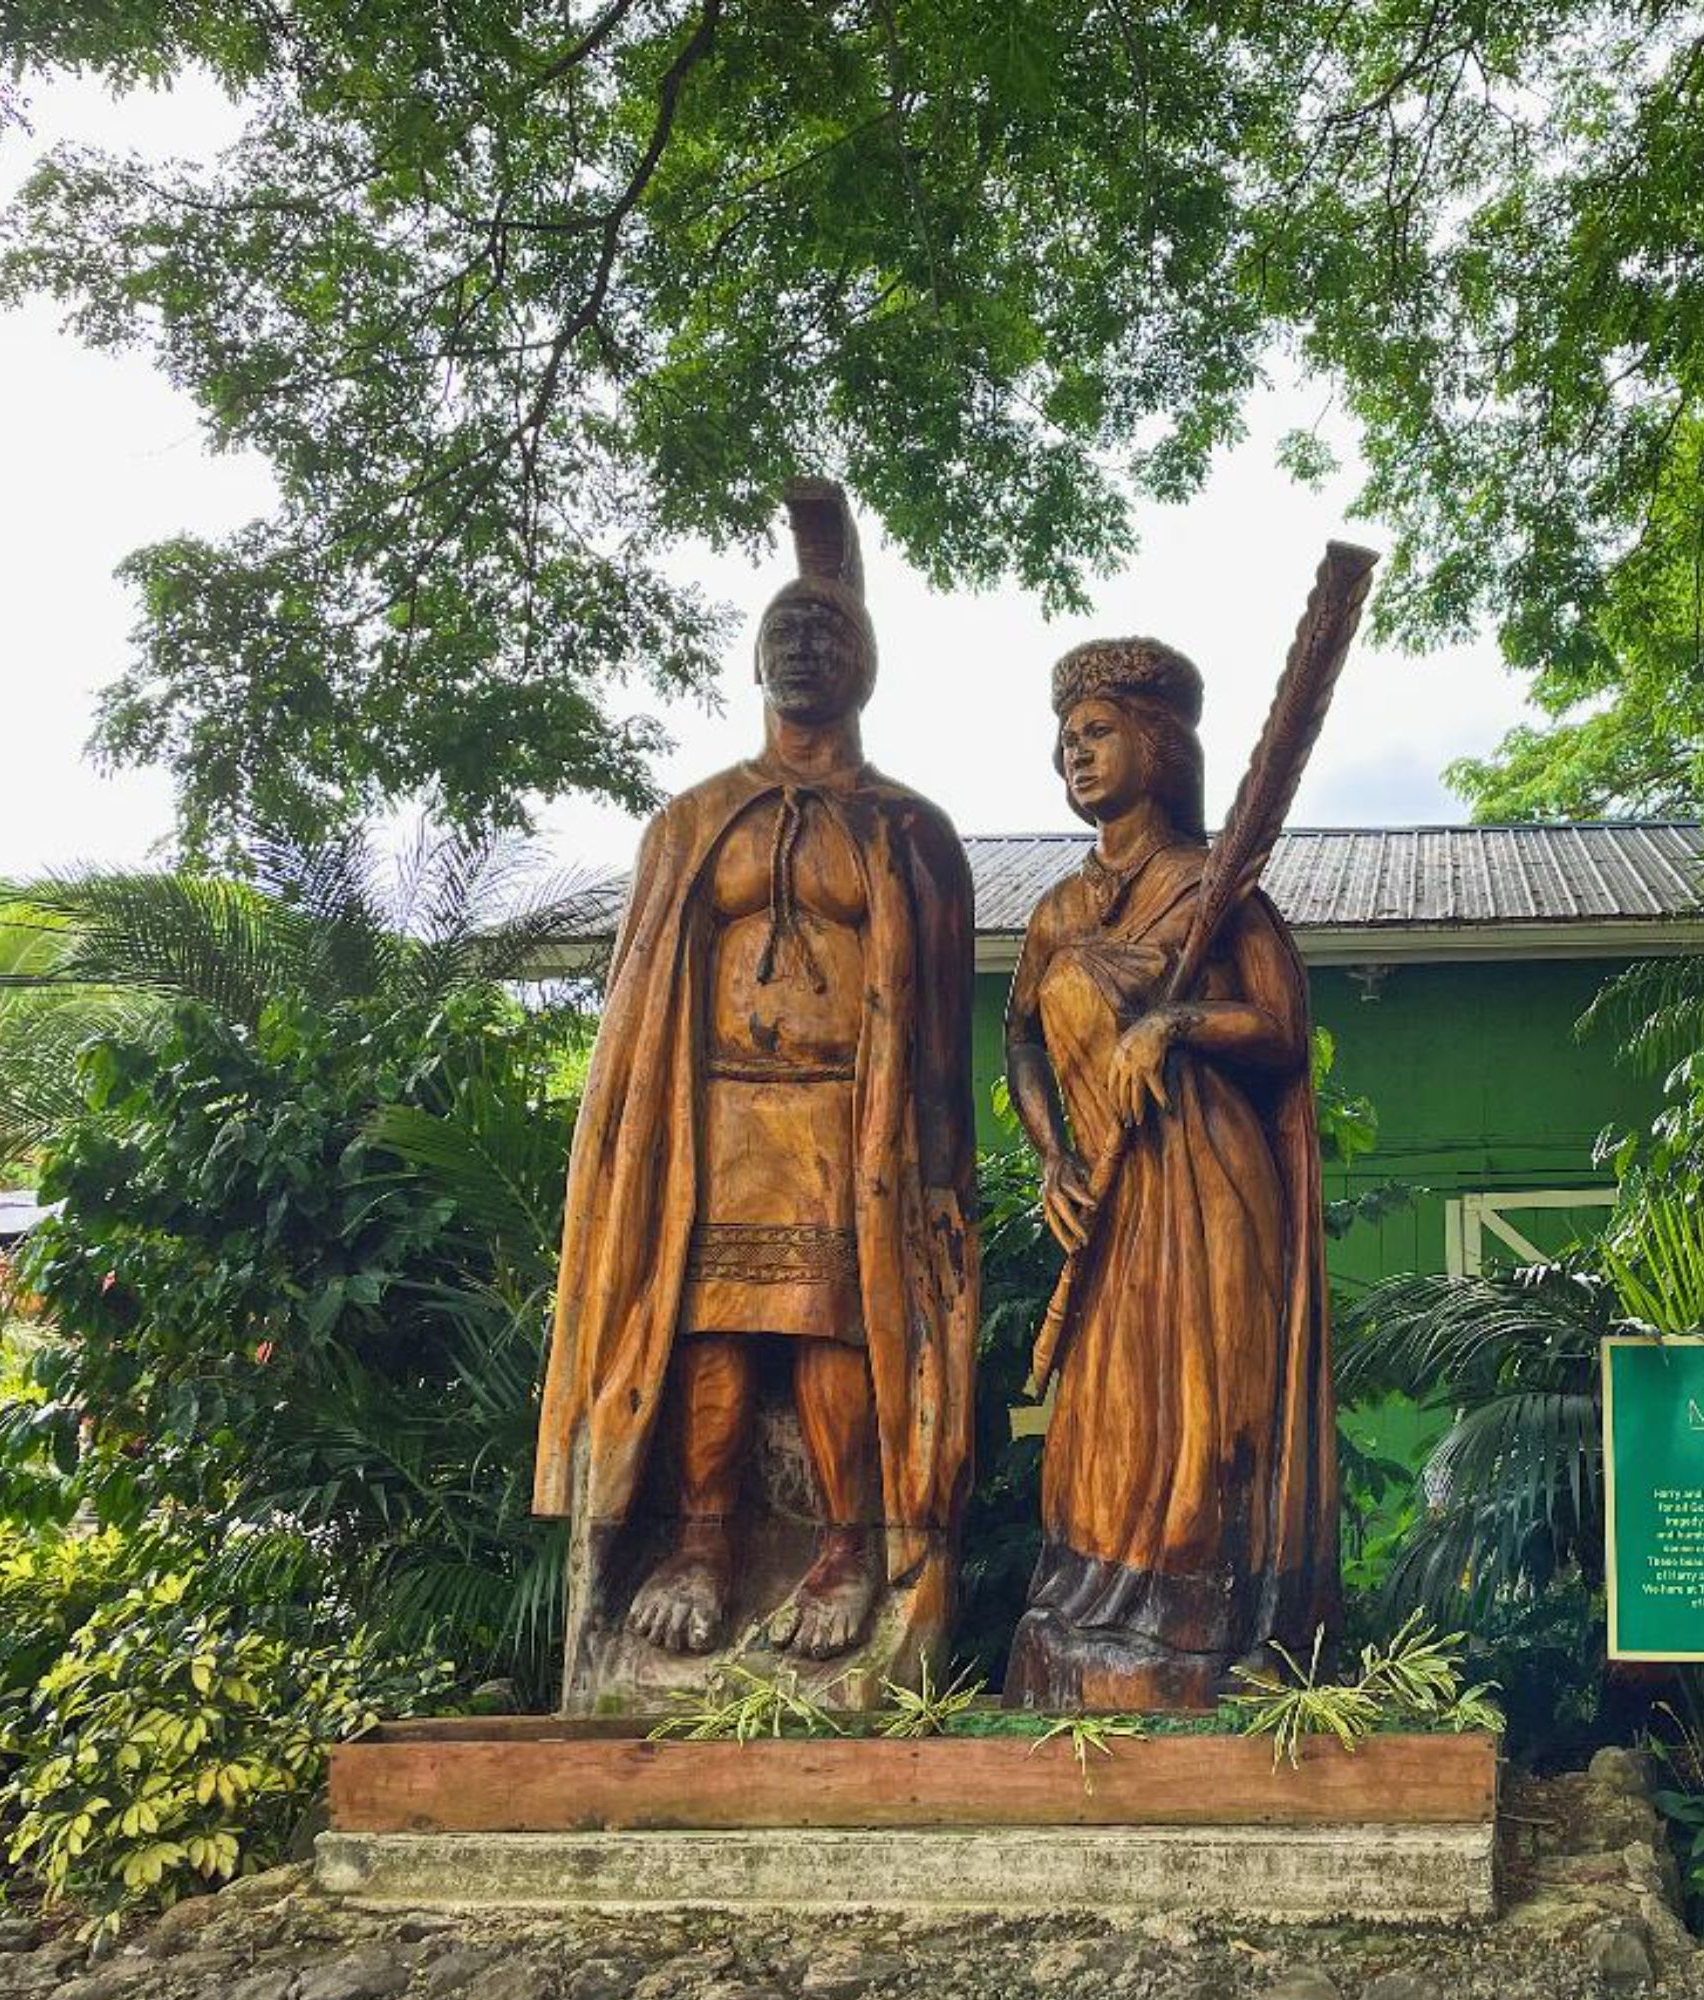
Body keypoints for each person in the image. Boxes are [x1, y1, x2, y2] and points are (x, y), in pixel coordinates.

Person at [534, 480, 976, 1689]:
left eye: (827, 629)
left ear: (866, 665)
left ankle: (846, 1546)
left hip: (849, 1120)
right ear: (752, 660)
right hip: (713, 1117)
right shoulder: (694, 822)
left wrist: (945, 1180)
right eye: (783, 630)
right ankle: (701, 1542)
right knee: (710, 1329)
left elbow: (939, 1036)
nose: (802, 645)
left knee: (837, 1329)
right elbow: (636, 1002)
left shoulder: (908, 829)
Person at [1003, 637, 1337, 1710]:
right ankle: (1088, 1616)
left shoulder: (1215, 889)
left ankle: (1204, 1619)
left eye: (1097, 732)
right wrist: (1052, 1153)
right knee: (1107, 1410)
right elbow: (1018, 1040)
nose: (1077, 756)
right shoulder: (1057, 909)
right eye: (1065, 742)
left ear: (1156, 742)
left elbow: (1281, 1028)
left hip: (1207, 1176)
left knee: (1205, 1396)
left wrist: (1177, 1024)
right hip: (1109, 1191)